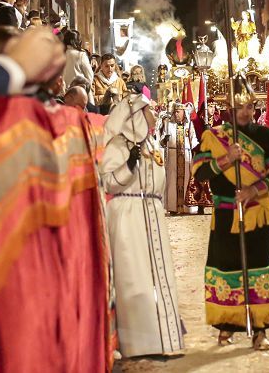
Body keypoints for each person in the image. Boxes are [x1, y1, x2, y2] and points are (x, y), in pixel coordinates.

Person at [192, 75, 269, 349]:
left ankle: (260, 329)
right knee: (226, 266)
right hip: (226, 214)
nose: (245, 112)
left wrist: (254, 190)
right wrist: (226, 159)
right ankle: (227, 325)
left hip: (257, 212)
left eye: (249, 106)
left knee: (258, 267)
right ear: (229, 107)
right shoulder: (213, 136)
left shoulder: (266, 136)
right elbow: (201, 173)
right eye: (239, 106)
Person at [99, 89, 185, 358]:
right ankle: (138, 342)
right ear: (136, 115)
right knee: (134, 278)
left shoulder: (151, 144)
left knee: (158, 276)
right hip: (128, 214)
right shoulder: (117, 146)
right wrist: (129, 167)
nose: (154, 114)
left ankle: (162, 337)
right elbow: (109, 182)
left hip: (150, 212)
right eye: (148, 110)